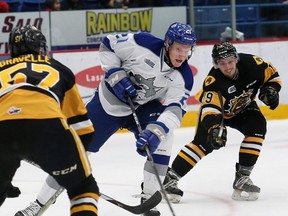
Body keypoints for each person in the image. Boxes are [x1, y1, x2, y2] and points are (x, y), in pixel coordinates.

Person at [14, 22, 197, 216]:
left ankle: (149, 201)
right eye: (178, 49)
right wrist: (114, 73)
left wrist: (157, 131)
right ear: (168, 44)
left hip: (144, 108)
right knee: (75, 153)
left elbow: (176, 109)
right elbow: (108, 44)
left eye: (187, 50)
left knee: (164, 139)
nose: (182, 55)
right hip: (107, 104)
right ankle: (39, 204)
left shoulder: (184, 75)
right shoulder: (142, 43)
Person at [163, 41, 282, 203]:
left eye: (231, 61)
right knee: (203, 145)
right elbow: (210, 110)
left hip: (244, 108)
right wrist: (214, 128)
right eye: (222, 63)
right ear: (216, 64)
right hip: (219, 114)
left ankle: (242, 178)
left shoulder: (254, 64)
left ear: (236, 58)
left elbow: (273, 76)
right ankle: (170, 178)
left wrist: (272, 90)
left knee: (258, 127)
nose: (228, 67)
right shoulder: (214, 82)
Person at [0, 25, 100, 216]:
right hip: (47, 125)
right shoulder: (59, 68)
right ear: (40, 48)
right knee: (83, 188)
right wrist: (69, 165)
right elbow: (84, 130)